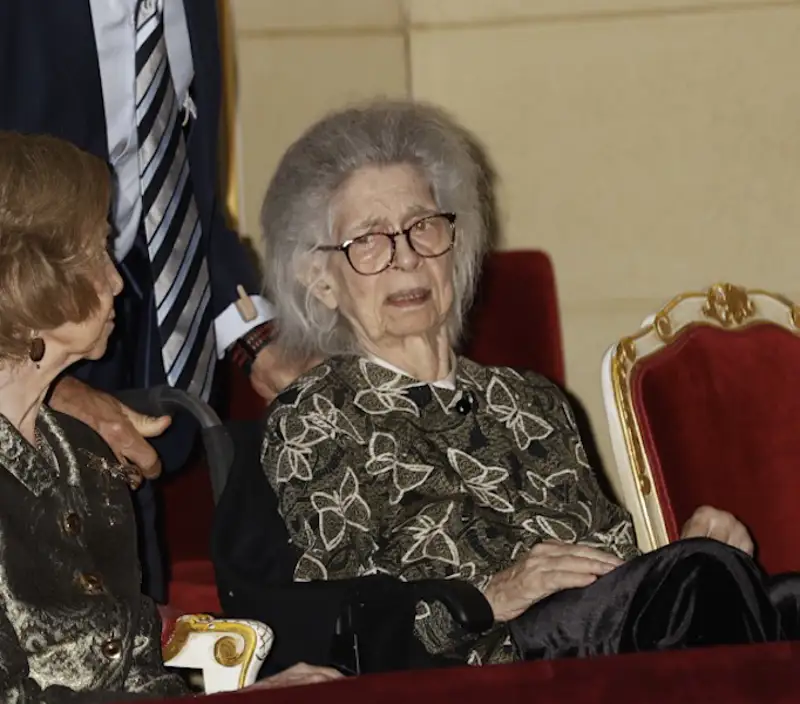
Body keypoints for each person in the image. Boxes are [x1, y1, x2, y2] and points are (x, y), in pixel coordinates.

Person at [258, 99, 800, 666]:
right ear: (320, 281)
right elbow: (340, 616)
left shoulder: (532, 400)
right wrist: (493, 596)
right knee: (703, 580)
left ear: (455, 246)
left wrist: (684, 544)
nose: (407, 259)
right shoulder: (315, 416)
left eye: (423, 226)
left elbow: (613, 565)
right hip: (490, 660)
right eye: (368, 240)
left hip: (597, 637)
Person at [0, 131, 340, 704]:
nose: (117, 283)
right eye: (96, 252)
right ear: (25, 281)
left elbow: (139, 675)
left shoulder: (86, 452)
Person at [0, 0, 312, 601]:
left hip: (135, 323)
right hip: (23, 356)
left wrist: (256, 334)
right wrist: (40, 381)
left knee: (136, 604)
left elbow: (182, 179)